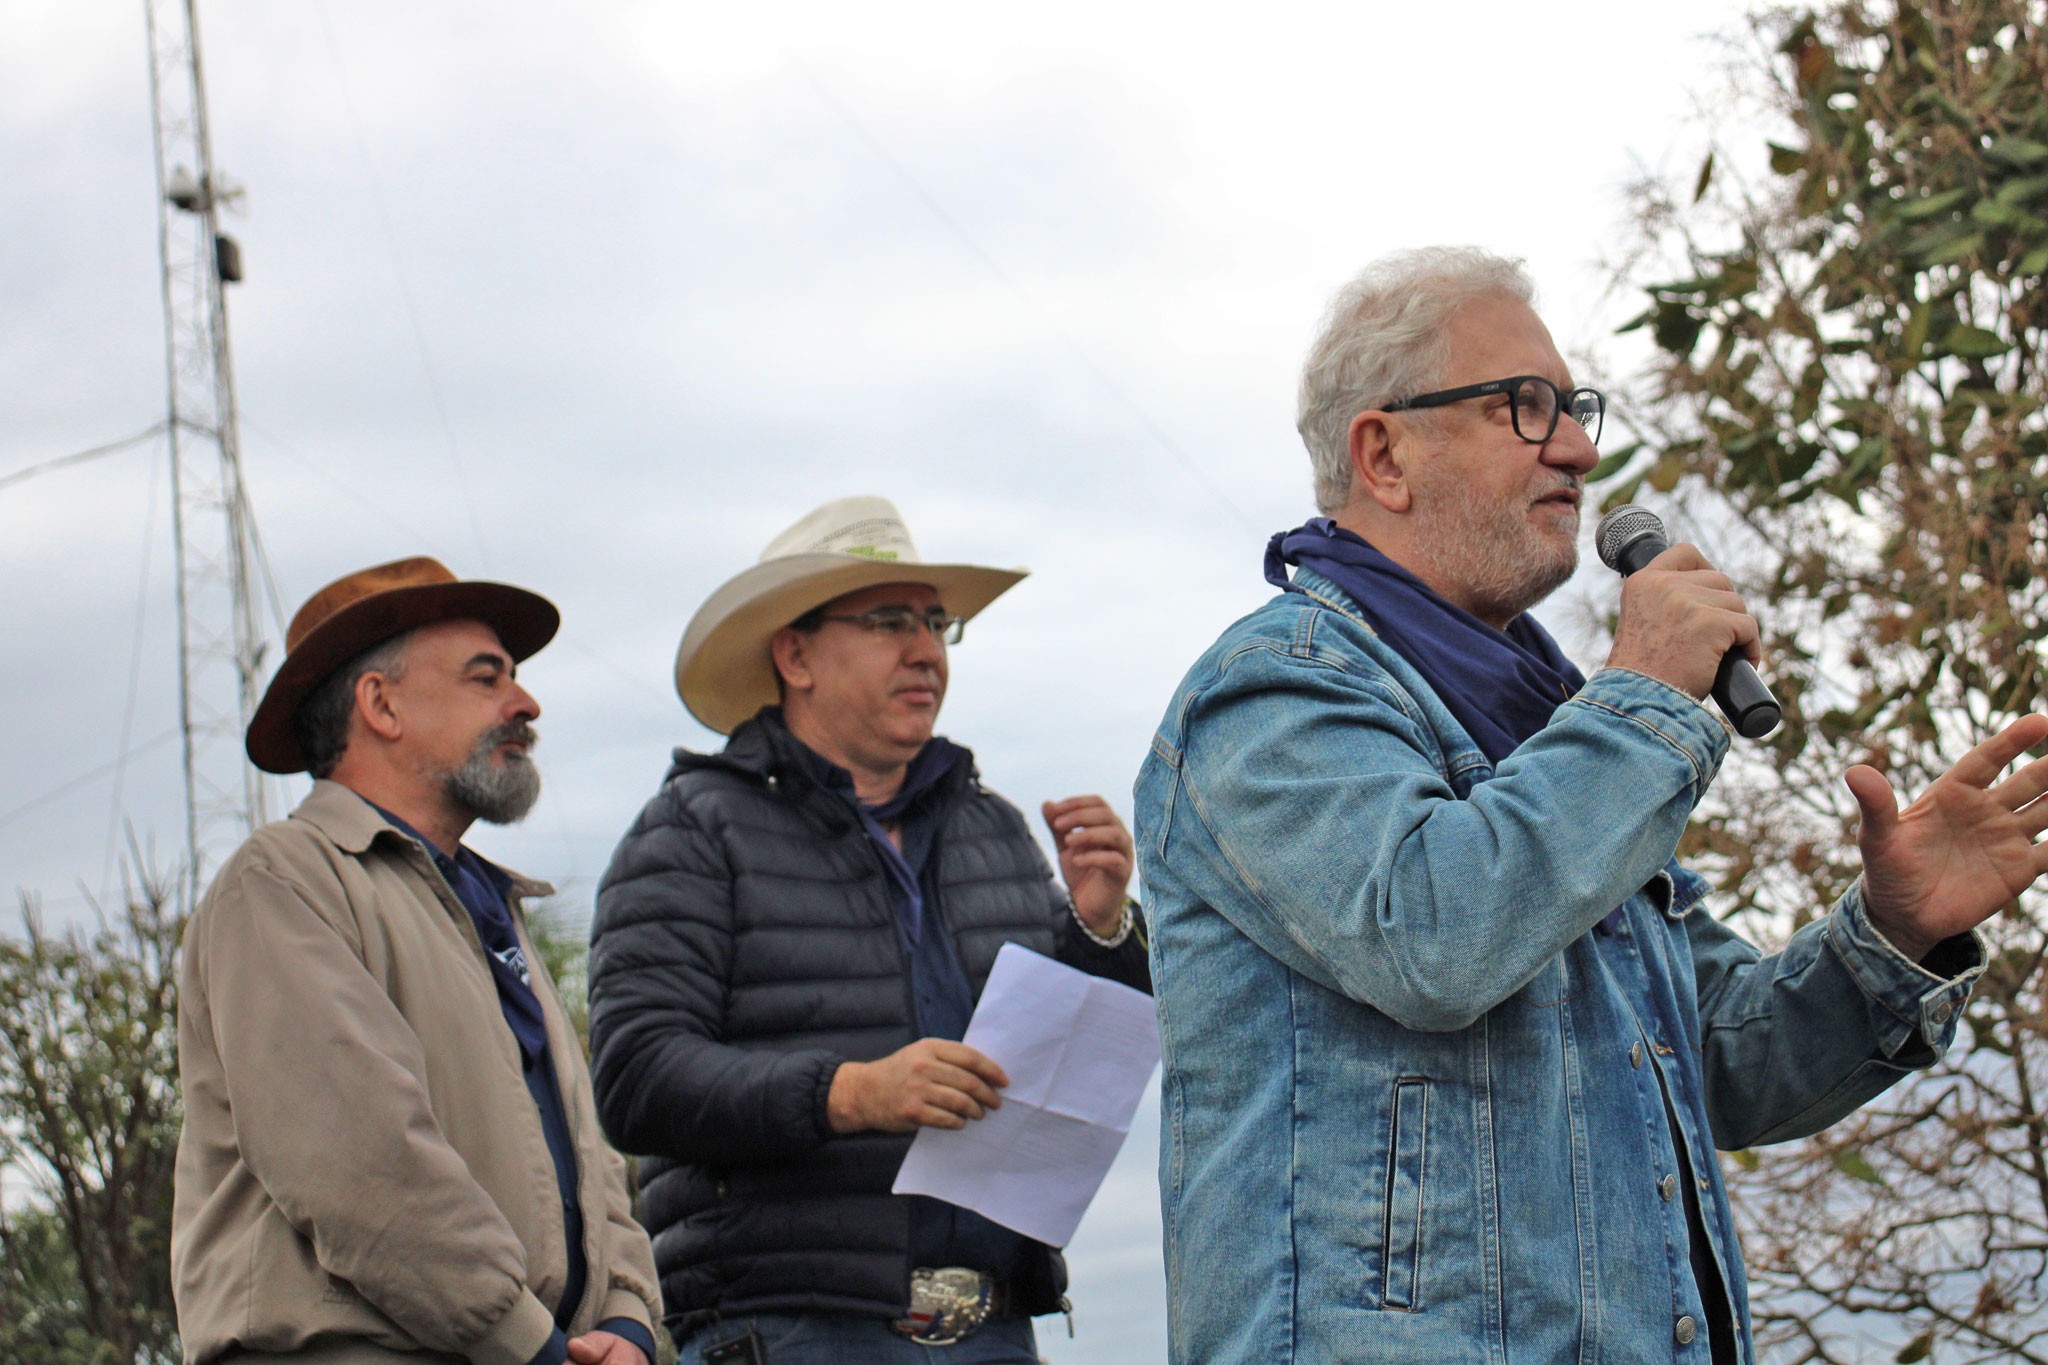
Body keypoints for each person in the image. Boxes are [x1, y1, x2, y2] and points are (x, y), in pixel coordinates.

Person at [1132, 247, 2048, 1364]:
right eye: (1522, 406)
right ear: (1384, 454)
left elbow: (1717, 1059)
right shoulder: (1272, 694)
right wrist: (1646, 691)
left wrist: (1892, 937)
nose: (1576, 447)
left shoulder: (1558, 739)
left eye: (1573, 408)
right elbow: (1434, 937)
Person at [587, 495, 1151, 1363]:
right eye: (890, 621)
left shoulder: (993, 827)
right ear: (795, 655)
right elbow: (635, 1078)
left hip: (997, 1329)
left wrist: (1101, 929)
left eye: (936, 623)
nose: (926, 650)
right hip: (789, 1330)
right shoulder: (692, 829)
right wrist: (850, 1092)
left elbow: (1068, 1063)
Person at [172, 556, 661, 1365]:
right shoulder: (284, 880)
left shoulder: (486, 902)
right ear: (381, 704)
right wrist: (530, 1342)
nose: (526, 703)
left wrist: (629, 1319)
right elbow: (359, 1164)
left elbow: (590, 1163)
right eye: (486, 677)